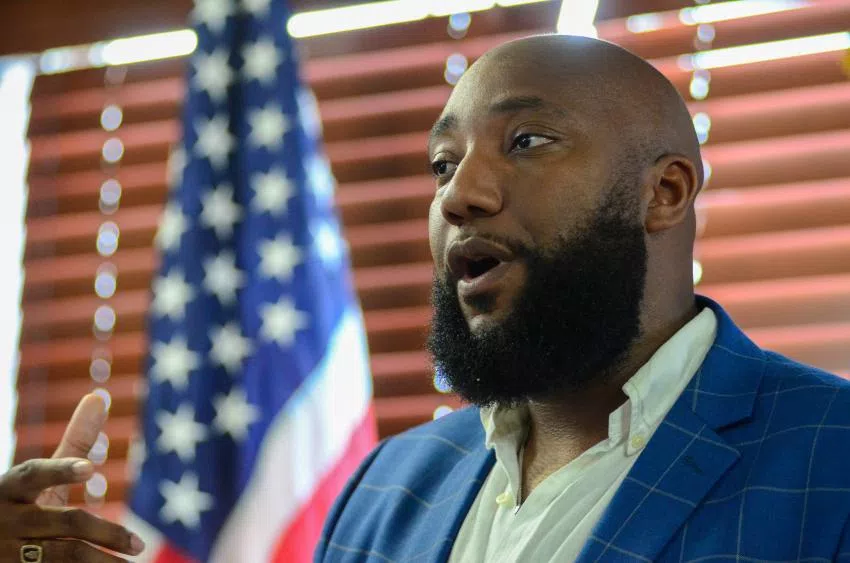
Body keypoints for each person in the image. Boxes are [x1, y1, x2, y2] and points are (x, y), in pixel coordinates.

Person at [1, 34, 849, 562]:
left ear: (664, 192)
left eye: (527, 141)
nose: (459, 195)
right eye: (443, 164)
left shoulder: (830, 458)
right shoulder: (387, 486)